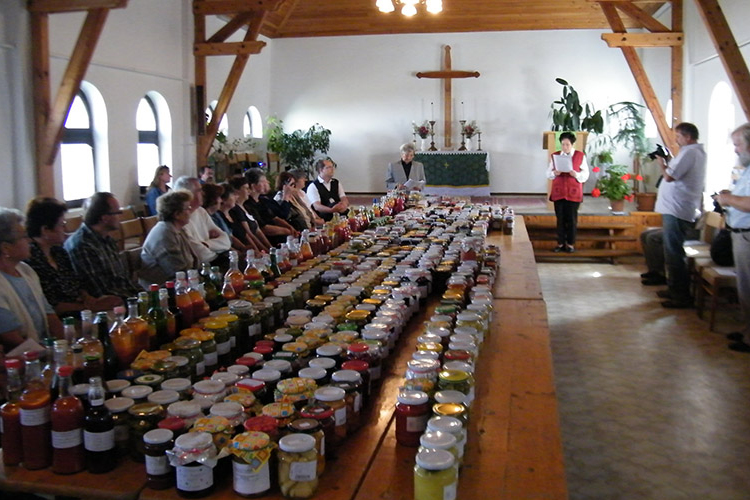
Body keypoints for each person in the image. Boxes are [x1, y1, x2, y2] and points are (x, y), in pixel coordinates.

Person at [25, 197, 122, 316]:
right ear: (45, 230)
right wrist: (89, 307)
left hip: (80, 309)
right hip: (59, 317)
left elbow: (77, 283)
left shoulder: (58, 252)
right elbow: (50, 304)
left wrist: (87, 298)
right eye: (62, 224)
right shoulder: (32, 259)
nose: (65, 229)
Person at [654, 122, 706, 308]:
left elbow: (669, 177)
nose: (676, 139)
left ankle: (681, 296)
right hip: (676, 208)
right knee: (671, 251)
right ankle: (674, 289)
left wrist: (662, 163)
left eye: (678, 136)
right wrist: (669, 161)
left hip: (677, 210)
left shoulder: (690, 152)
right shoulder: (691, 152)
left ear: (688, 137)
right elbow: (676, 173)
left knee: (674, 253)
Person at [0, 208, 63, 350]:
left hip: (44, 349)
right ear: (5, 248)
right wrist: (43, 353)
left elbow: (49, 314)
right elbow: (11, 337)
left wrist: (64, 345)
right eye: (23, 236)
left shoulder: (26, 270)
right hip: (22, 358)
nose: (29, 240)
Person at [64, 192, 142, 299]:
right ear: (104, 218)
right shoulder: (82, 246)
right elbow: (100, 292)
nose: (121, 217)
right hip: (108, 307)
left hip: (125, 298)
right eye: (118, 213)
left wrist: (145, 294)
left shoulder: (107, 239)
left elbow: (123, 280)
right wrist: (137, 300)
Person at [715, 123, 750, 352]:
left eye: (738, 144)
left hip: (747, 236)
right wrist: (729, 196)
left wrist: (728, 201)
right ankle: (748, 330)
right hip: (740, 234)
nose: (736, 149)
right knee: (744, 288)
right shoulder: (745, 168)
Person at [139, 190, 200, 287]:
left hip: (180, 283)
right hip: (161, 289)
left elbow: (192, 262)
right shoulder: (164, 234)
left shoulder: (178, 230)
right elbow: (176, 272)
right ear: (176, 214)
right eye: (187, 208)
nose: (190, 211)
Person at [173, 176, 231, 265]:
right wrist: (216, 248)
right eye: (199, 190)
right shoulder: (180, 219)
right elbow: (198, 253)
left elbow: (226, 240)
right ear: (188, 194)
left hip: (215, 258)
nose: (203, 193)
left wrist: (206, 244)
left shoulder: (200, 211)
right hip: (204, 265)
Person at [547, 132, 589, 253]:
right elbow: (548, 173)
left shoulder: (580, 156)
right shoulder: (555, 156)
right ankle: (560, 243)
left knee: (571, 219)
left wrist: (576, 174)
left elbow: (585, 174)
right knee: (560, 219)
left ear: (572, 144)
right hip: (559, 191)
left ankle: (570, 243)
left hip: (573, 191)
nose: (565, 147)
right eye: (563, 144)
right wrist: (554, 173)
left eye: (567, 144)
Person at [244, 168, 299, 246]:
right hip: (268, 240)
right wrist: (287, 231)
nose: (268, 182)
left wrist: (290, 228)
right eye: (263, 181)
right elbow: (263, 228)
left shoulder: (263, 200)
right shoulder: (248, 205)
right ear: (253, 186)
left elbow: (275, 218)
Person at [228, 176, 271, 252]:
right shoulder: (236, 210)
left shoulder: (247, 207)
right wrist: (262, 250)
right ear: (237, 191)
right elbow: (249, 234)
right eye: (246, 188)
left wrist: (270, 248)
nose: (249, 191)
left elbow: (258, 230)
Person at [217, 183, 262, 253]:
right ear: (224, 200)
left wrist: (257, 250)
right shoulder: (219, 217)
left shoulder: (233, 214)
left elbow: (245, 235)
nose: (236, 197)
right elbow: (229, 238)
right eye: (233, 195)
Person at [306, 157, 349, 222]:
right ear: (321, 170)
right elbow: (317, 206)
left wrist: (344, 205)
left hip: (339, 213)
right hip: (325, 215)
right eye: (328, 167)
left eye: (332, 167)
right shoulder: (313, 186)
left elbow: (343, 198)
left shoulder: (336, 182)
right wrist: (331, 210)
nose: (332, 169)